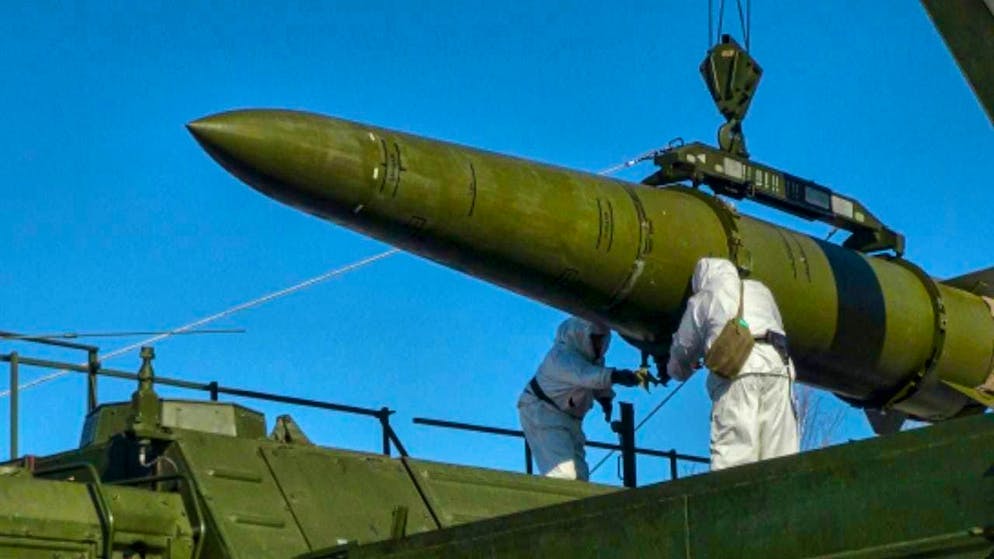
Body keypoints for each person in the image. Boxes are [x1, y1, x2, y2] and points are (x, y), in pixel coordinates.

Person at [666, 257, 799, 470]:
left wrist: (674, 371)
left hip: (737, 371)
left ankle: (736, 502)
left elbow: (683, 349)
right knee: (781, 454)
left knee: (735, 456)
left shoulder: (704, 297)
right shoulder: (761, 290)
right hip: (778, 367)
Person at [518, 317, 641, 481]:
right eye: (595, 339)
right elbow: (586, 375)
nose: (598, 345)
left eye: (601, 340)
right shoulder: (561, 357)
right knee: (563, 475)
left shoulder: (590, 359)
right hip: (543, 413)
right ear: (581, 334)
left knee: (580, 476)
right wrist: (616, 376)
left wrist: (605, 398)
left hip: (570, 420)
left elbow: (594, 377)